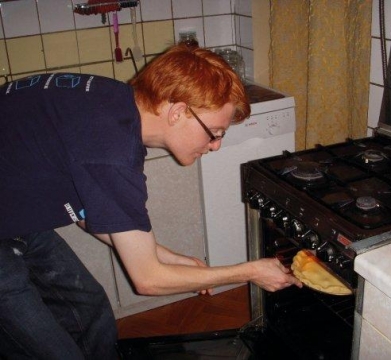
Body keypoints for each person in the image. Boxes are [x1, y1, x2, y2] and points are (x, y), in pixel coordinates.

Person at [0, 44, 302, 359]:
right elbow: (148, 280)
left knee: (89, 310)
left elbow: (92, 215)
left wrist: (168, 258)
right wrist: (249, 271)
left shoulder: (113, 105)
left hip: (17, 220)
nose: (215, 146)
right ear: (178, 112)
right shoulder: (112, 150)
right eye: (214, 132)